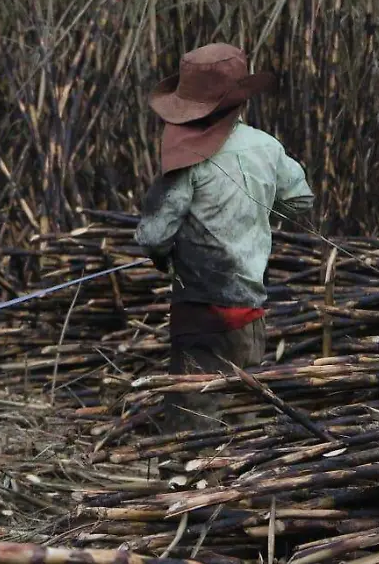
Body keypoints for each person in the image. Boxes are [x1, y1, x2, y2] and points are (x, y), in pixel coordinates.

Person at [135, 42, 314, 435]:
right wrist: (258, 214)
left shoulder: (186, 161)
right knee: (245, 416)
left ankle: (194, 491)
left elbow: (153, 236)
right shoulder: (267, 147)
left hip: (200, 312)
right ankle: (240, 491)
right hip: (250, 311)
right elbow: (300, 199)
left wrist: (163, 253)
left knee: (194, 423)